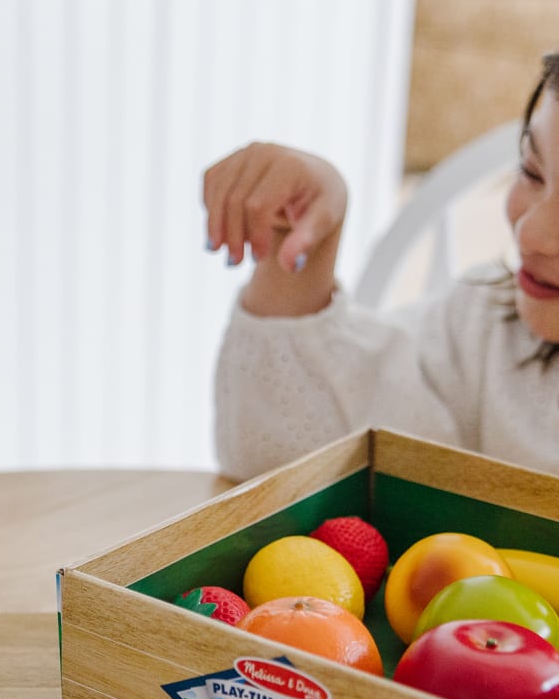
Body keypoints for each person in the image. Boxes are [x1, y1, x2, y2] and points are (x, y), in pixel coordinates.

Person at [203, 54, 559, 483]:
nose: (530, 236)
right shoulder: (484, 330)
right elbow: (282, 461)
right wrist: (297, 250)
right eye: (531, 172)